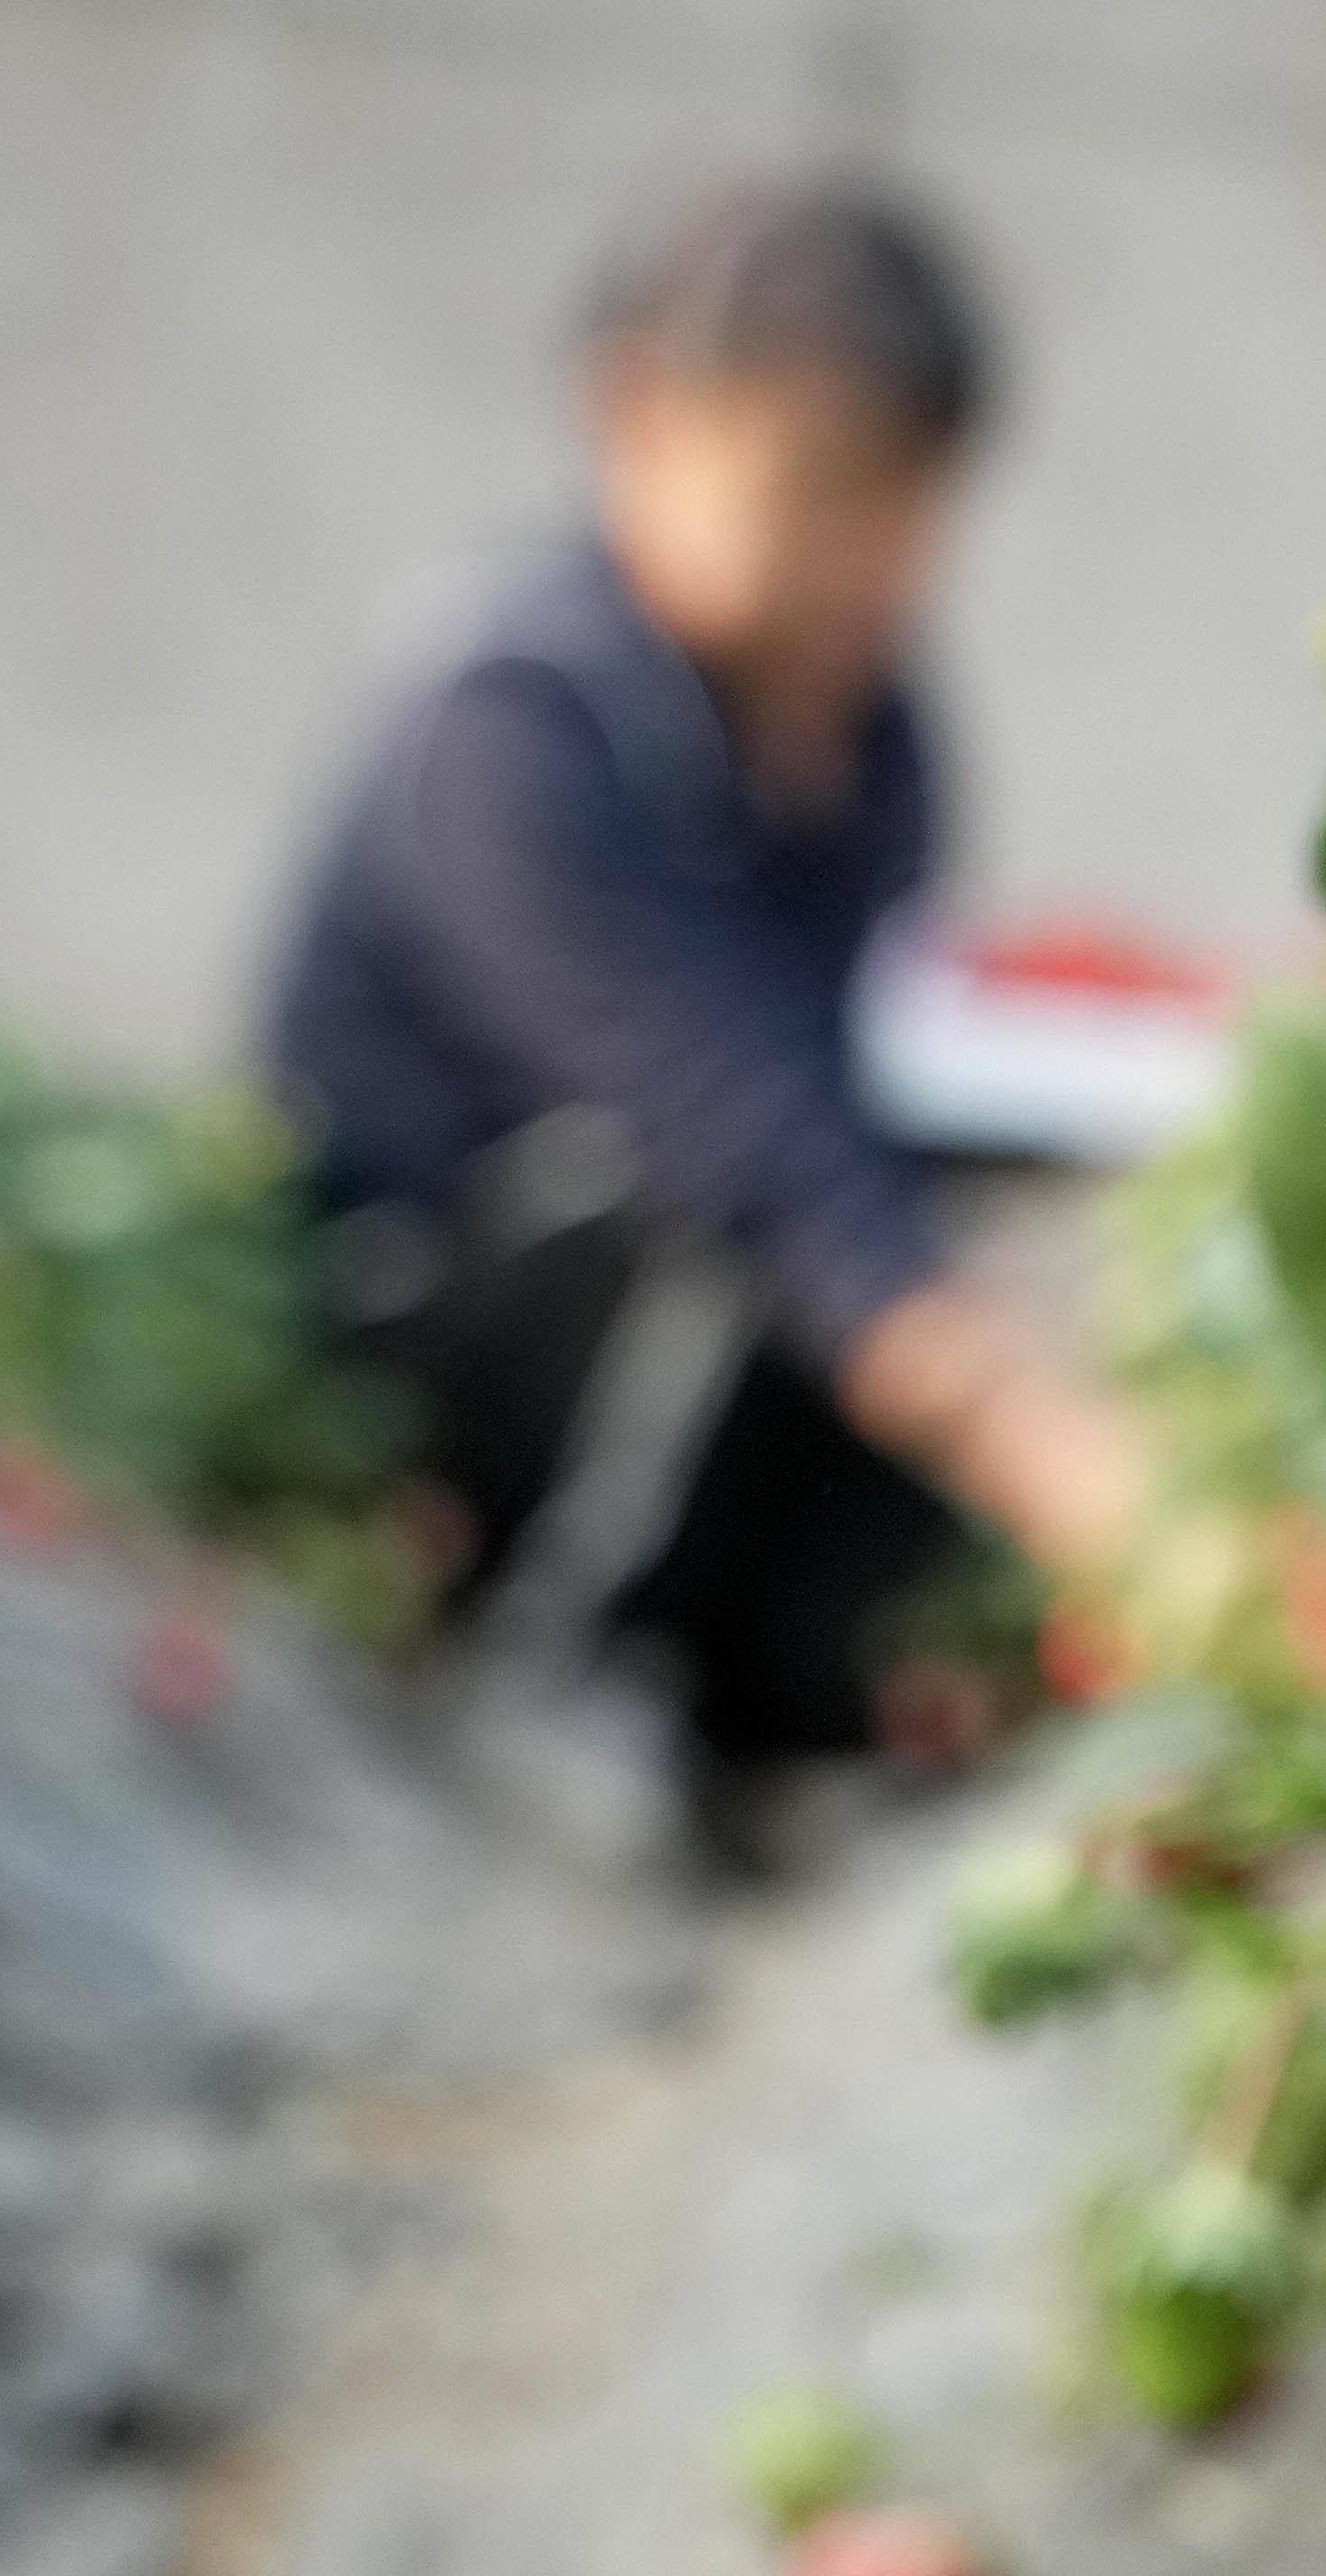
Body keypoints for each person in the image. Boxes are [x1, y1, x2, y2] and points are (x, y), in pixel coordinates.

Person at [261, 177, 1142, 1807]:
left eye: (897, 507)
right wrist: (1060, 1454)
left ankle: (802, 1720)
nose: (857, 564)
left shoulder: (869, 745)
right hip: (425, 1355)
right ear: (638, 423)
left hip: (710, 1298)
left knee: (889, 1222)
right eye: (809, 489)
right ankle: (524, 1720)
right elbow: (741, 1136)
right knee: (719, 1225)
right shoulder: (516, 733)